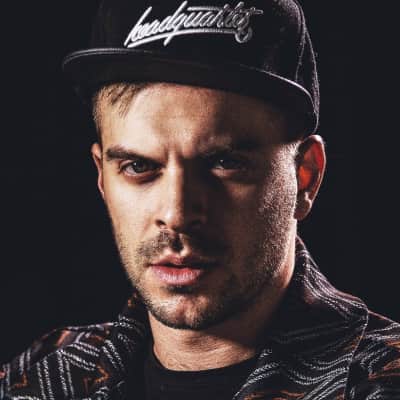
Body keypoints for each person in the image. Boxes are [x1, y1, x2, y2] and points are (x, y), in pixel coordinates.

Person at [1, 0, 399, 399]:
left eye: (224, 163)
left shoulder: (380, 382)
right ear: (102, 177)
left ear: (304, 178)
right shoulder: (42, 377)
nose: (177, 214)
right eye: (139, 167)